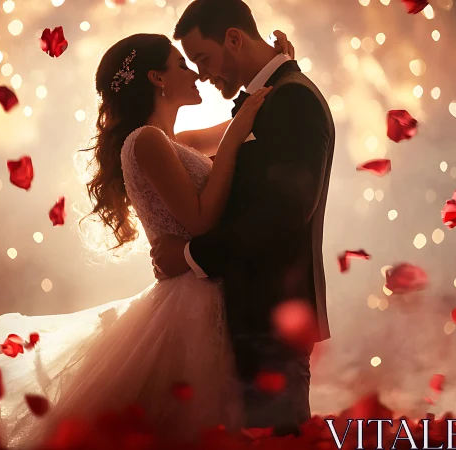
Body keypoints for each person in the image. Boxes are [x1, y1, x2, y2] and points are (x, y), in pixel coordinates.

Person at [0, 29, 298, 448]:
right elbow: (200, 220)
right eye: (182, 64)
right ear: (156, 78)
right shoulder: (146, 141)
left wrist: (277, 71)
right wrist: (236, 139)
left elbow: (239, 122)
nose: (196, 74)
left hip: (198, 286)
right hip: (191, 299)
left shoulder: (166, 141)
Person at [151, 0, 335, 436]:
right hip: (250, 314)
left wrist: (192, 254)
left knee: (276, 440)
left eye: (204, 59)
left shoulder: (290, 98)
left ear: (234, 38)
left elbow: (285, 211)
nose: (202, 74)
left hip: (273, 318)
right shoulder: (270, 96)